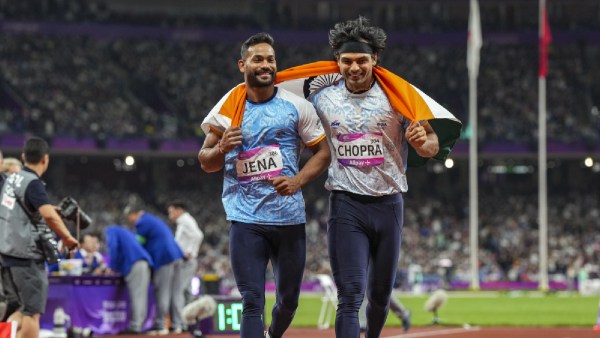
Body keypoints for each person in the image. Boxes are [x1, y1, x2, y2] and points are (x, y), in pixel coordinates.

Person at [308, 17, 440, 338]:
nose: (354, 68)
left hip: (389, 205)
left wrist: (424, 144)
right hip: (346, 205)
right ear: (337, 61)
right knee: (350, 296)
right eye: (347, 61)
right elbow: (299, 130)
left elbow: (433, 144)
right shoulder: (321, 98)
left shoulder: (399, 96)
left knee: (379, 299)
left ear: (374, 60)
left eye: (362, 60)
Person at [199, 32, 330, 338]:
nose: (266, 65)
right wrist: (221, 149)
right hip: (245, 220)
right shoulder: (228, 108)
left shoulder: (296, 106)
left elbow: (323, 153)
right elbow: (205, 162)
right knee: (251, 301)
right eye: (258, 59)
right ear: (241, 64)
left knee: (288, 302)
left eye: (270, 59)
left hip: (289, 219)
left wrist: (297, 180)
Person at [0, 137, 79, 338]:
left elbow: (20, 208)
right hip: (26, 257)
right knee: (32, 314)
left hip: (8, 254)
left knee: (19, 308)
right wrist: (69, 238)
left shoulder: (12, 178)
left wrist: (44, 208)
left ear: (24, 156)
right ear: (46, 159)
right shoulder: (32, 183)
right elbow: (49, 216)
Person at [125, 205, 184, 335]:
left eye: (129, 217)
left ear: (134, 214)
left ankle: (161, 325)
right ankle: (177, 325)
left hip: (164, 258)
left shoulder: (141, 222)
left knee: (162, 292)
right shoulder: (151, 219)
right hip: (177, 256)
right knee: (175, 293)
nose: (129, 220)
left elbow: (137, 245)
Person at [104, 225, 154, 335]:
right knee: (141, 295)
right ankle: (140, 324)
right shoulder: (126, 232)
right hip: (143, 263)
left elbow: (114, 246)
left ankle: (136, 325)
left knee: (137, 296)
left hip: (135, 264)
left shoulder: (111, 230)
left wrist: (111, 266)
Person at [167, 200, 204, 332]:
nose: (169, 215)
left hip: (186, 262)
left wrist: (191, 252)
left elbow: (199, 235)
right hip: (186, 261)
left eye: (171, 212)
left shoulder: (185, 220)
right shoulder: (183, 221)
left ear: (179, 210)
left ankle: (179, 323)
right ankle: (191, 322)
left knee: (177, 291)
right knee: (187, 292)